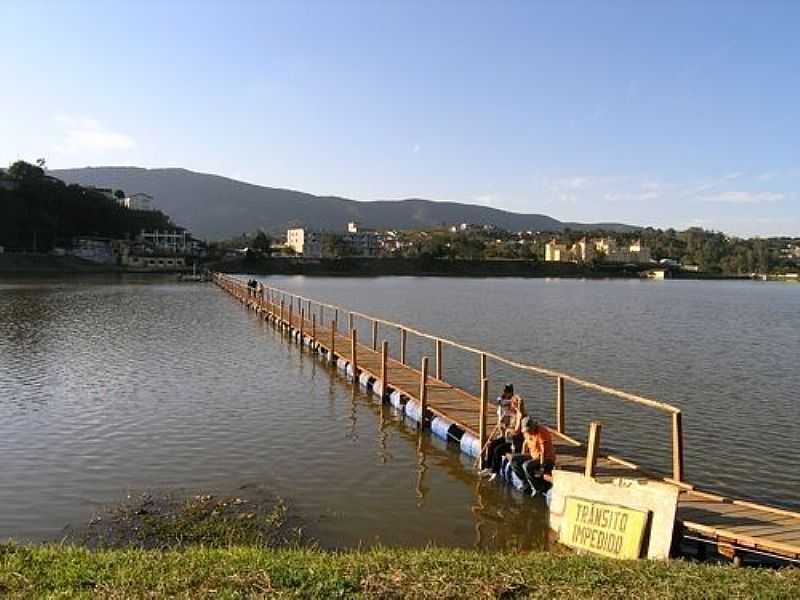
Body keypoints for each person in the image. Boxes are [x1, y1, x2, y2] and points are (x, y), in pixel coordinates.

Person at [479, 394, 526, 480]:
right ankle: (488, 467)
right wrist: (503, 425)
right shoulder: (513, 413)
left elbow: (517, 432)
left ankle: (494, 471)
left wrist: (507, 429)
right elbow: (509, 425)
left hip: (515, 442)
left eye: (512, 403)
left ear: (514, 404)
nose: (510, 405)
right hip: (509, 438)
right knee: (492, 444)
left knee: (498, 449)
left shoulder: (521, 416)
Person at [509, 418, 556, 496]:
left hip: (545, 458)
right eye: (527, 430)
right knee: (514, 459)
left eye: (529, 430)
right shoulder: (526, 433)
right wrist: (523, 454)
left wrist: (542, 467)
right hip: (533, 455)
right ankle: (525, 482)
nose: (528, 432)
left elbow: (543, 451)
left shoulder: (541, 432)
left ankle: (537, 488)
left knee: (526, 465)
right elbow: (525, 442)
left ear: (533, 426)